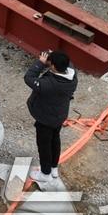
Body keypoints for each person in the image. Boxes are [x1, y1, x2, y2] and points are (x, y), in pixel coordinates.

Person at [24, 49, 77, 186]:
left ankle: (45, 173)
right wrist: (56, 56)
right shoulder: (72, 76)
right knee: (55, 140)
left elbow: (28, 78)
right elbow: (67, 62)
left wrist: (40, 63)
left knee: (44, 146)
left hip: (45, 118)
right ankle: (54, 168)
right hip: (59, 116)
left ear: (53, 66)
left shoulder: (48, 84)